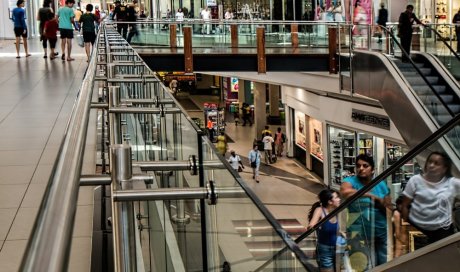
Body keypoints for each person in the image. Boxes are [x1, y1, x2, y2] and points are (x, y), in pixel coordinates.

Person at [340, 154, 391, 269]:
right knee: (362, 266)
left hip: (380, 231)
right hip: (357, 233)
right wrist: (369, 194)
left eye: (365, 166)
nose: (361, 168)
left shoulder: (381, 184)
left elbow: (389, 207)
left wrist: (380, 202)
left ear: (373, 169)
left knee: (382, 264)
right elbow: (344, 192)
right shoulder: (350, 181)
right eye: (358, 166)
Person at [400, 151, 460, 244]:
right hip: (417, 228)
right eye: (430, 162)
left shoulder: (452, 183)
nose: (431, 165)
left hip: (442, 231)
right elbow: (405, 205)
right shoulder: (415, 180)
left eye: (436, 163)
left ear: (444, 168)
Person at [307, 189, 342, 272]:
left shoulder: (338, 210)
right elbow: (312, 224)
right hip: (325, 250)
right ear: (330, 201)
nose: (339, 199)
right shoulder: (320, 210)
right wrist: (312, 226)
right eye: (336, 198)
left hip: (339, 248)